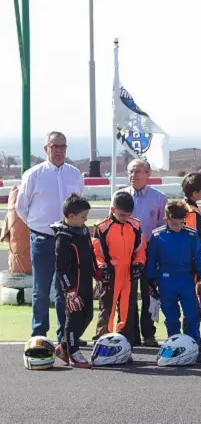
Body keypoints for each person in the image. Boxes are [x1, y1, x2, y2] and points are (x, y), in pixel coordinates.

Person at [16, 131, 84, 341]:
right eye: (54, 147)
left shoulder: (74, 174)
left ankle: (66, 334)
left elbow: (79, 204)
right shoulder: (33, 174)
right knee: (41, 289)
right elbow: (21, 207)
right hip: (42, 239)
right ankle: (39, 333)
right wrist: (39, 227)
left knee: (65, 288)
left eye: (62, 147)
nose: (59, 151)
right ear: (46, 148)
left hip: (68, 240)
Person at [146, 201, 201, 362]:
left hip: (186, 279)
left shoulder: (190, 234)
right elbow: (152, 260)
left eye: (181, 223)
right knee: (171, 316)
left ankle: (194, 347)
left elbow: (198, 256)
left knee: (192, 315)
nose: (178, 226)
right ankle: (174, 346)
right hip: (166, 280)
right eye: (174, 223)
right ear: (166, 219)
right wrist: (150, 281)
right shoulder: (157, 236)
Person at [118, 159, 167, 347]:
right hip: (125, 254)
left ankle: (149, 334)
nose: (134, 175)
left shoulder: (159, 198)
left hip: (149, 254)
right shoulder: (120, 196)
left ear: (148, 174)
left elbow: (163, 227)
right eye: (131, 171)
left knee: (149, 295)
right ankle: (130, 334)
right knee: (128, 295)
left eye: (138, 171)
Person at [92, 192, 147, 344]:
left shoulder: (135, 225)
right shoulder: (102, 227)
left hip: (128, 273)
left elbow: (140, 249)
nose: (125, 218)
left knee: (127, 309)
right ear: (113, 209)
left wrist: (139, 264)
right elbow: (97, 252)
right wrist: (102, 268)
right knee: (107, 308)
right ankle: (102, 339)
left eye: (128, 215)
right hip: (110, 273)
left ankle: (125, 341)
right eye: (122, 215)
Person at [52, 194, 96, 368]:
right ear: (71, 216)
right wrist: (70, 290)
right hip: (72, 287)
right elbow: (60, 268)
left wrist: (97, 272)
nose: (86, 220)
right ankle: (72, 351)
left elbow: (89, 253)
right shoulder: (63, 237)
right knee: (74, 318)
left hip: (86, 281)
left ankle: (64, 346)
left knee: (88, 315)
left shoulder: (83, 230)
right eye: (83, 216)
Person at [180, 172, 201, 349]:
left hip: (190, 262)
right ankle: (192, 338)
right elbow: (194, 240)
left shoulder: (187, 208)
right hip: (192, 264)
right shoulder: (191, 213)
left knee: (194, 301)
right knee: (194, 302)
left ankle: (193, 337)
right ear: (195, 193)